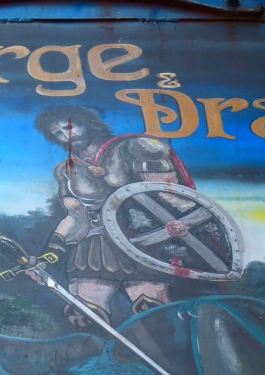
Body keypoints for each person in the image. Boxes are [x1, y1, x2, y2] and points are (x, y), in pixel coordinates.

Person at [32, 106, 195, 328]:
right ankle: (106, 352)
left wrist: (181, 225)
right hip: (95, 246)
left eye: (69, 127)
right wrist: (48, 255)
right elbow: (77, 218)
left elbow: (168, 196)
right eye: (57, 133)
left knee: (153, 311)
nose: (66, 135)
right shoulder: (66, 171)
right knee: (86, 315)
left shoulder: (136, 147)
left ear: (86, 122)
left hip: (144, 240)